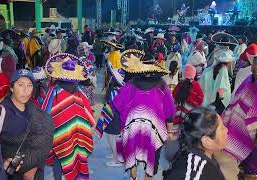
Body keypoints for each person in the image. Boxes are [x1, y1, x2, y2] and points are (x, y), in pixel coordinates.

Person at [113, 50, 176, 180]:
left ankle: (133, 174)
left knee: (131, 149)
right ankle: (148, 177)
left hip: (132, 125)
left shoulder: (130, 84)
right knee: (153, 154)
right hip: (154, 128)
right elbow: (169, 110)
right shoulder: (162, 85)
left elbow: (119, 104)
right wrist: (170, 131)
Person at [0, 69, 54, 180]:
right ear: (11, 87)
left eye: (29, 85)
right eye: (21, 85)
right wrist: (2, 161)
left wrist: (33, 166)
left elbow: (44, 140)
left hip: (35, 171)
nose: (26, 90)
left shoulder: (35, 110)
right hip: (9, 172)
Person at [42, 53, 96, 180]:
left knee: (58, 155)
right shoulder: (79, 92)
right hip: (77, 133)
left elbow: (44, 113)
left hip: (58, 135)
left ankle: (58, 178)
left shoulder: (53, 91)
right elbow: (89, 115)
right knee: (76, 154)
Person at [218, 56, 257, 179]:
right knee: (238, 162)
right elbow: (236, 100)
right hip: (238, 126)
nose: (255, 68)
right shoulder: (248, 80)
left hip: (254, 133)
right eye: (255, 64)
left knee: (252, 166)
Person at [164, 107, 227, 180]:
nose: (226, 130)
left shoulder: (202, 157)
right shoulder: (195, 174)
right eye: (222, 128)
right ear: (207, 141)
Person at [96, 59, 126, 167]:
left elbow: (114, 106)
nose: (110, 77)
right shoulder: (117, 88)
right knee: (112, 137)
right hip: (114, 116)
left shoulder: (117, 91)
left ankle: (116, 159)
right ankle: (116, 154)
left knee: (113, 137)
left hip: (115, 117)